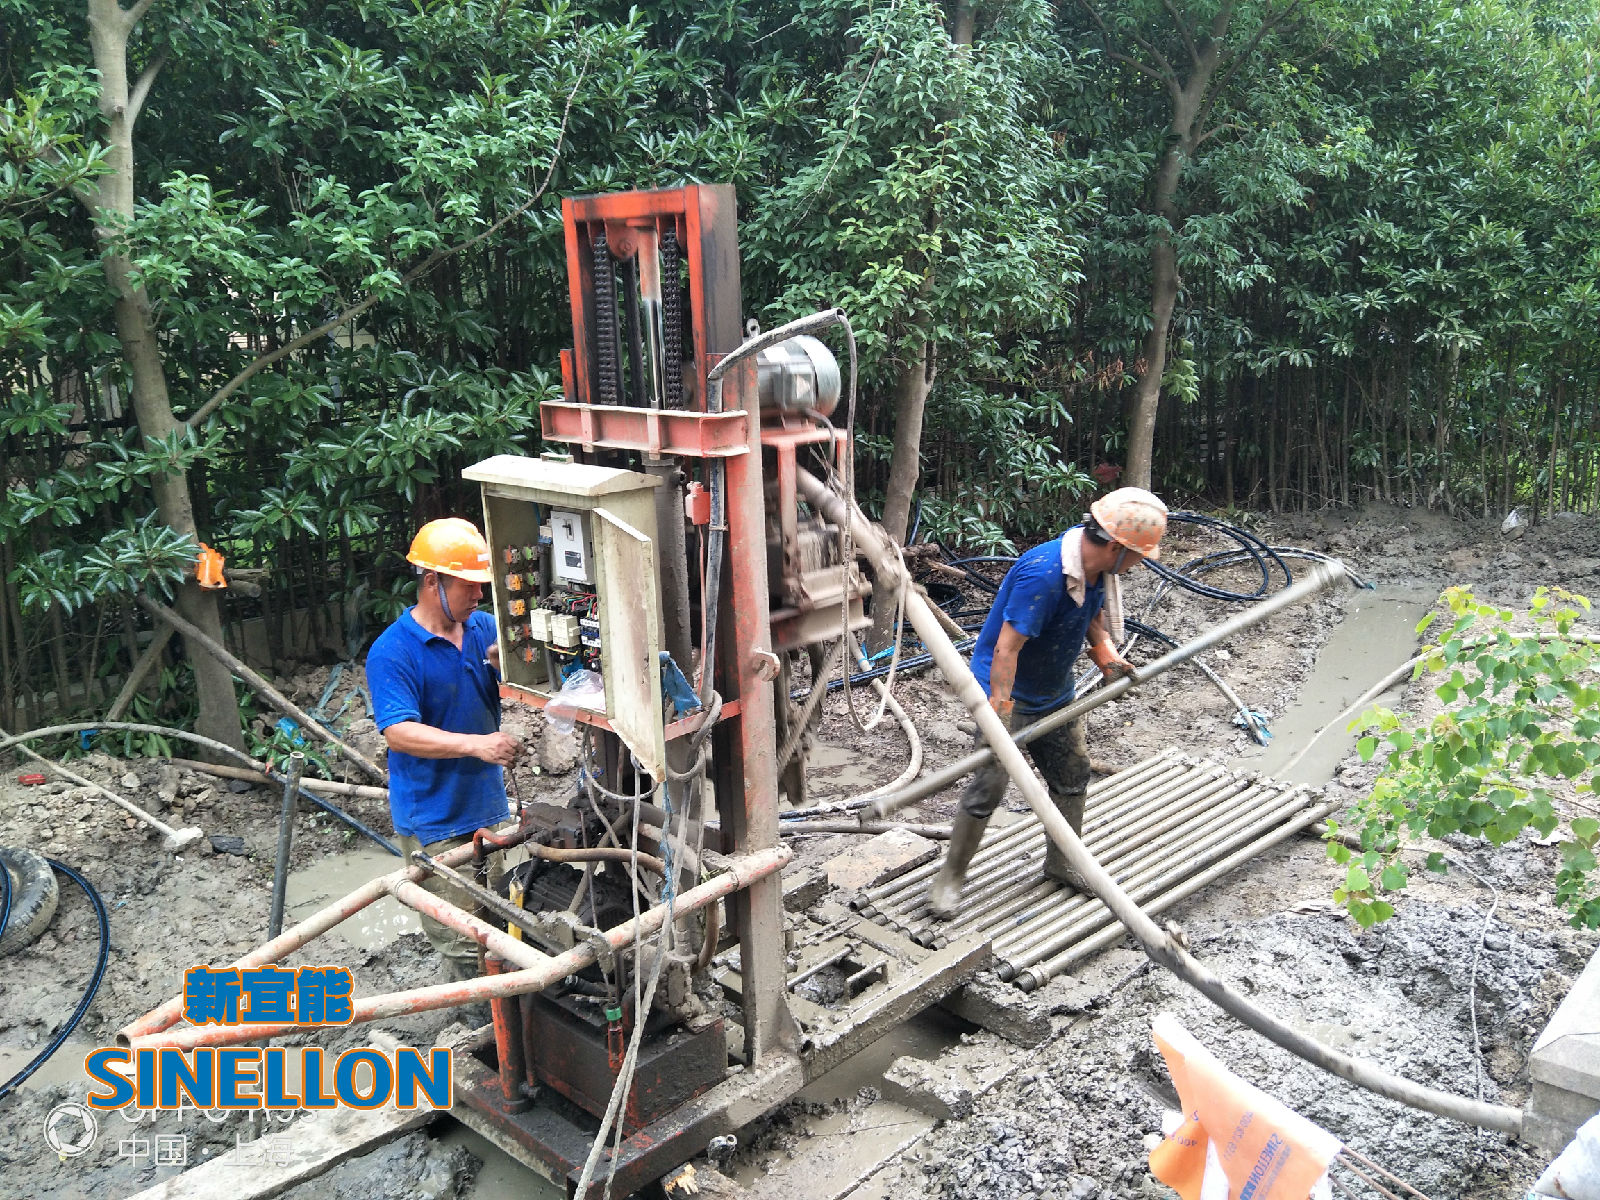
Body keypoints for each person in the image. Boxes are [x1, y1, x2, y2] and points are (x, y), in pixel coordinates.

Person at [927, 487, 1168, 919]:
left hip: (1054, 691)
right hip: (1007, 690)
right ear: (1115, 546)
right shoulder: (1044, 573)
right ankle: (950, 878)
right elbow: (1006, 649)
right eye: (1135, 556)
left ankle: (1061, 865)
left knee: (1073, 774)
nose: (1137, 565)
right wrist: (999, 712)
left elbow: (1090, 613)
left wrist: (1105, 654)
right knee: (989, 786)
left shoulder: (1094, 567)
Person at [366, 517, 521, 982]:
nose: (479, 595)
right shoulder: (393, 651)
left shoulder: (482, 628)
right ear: (433, 582)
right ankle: (480, 1032)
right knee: (460, 939)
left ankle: (506, 1019)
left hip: (487, 806)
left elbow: (523, 666)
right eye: (470, 586)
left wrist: (510, 667)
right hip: (434, 819)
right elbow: (398, 732)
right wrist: (477, 745)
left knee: (499, 921)